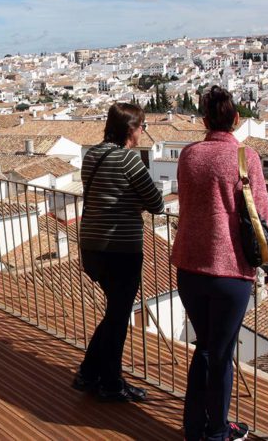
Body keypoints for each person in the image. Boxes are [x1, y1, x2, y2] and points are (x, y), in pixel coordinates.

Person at [171, 86, 268, 441]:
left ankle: (194, 425)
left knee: (206, 348)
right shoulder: (247, 158)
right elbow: (261, 215)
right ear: (237, 119)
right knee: (221, 353)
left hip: (189, 264)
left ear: (203, 121)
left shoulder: (187, 155)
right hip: (230, 269)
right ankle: (216, 431)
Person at [73, 102, 164, 402]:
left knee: (114, 313)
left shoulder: (92, 156)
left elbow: (102, 194)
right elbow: (156, 204)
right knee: (118, 315)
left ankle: (89, 373)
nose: (143, 132)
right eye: (141, 127)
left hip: (91, 247)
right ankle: (111, 383)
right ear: (130, 130)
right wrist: (134, 202)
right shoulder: (130, 161)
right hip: (121, 249)